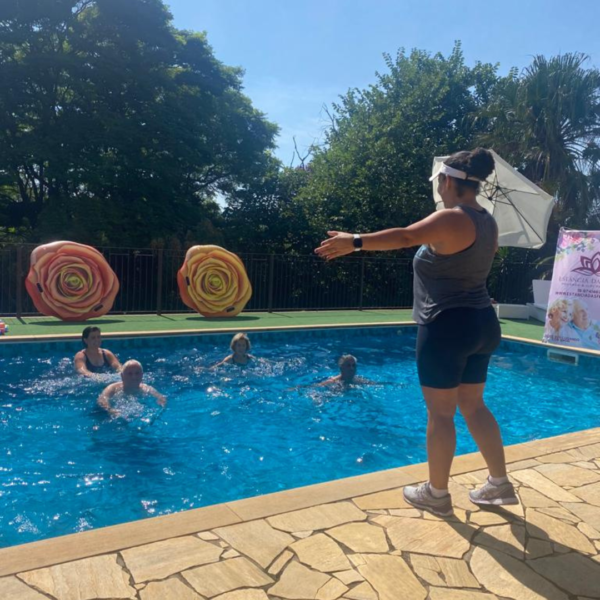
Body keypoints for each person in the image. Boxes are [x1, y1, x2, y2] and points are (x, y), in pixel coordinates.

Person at [316, 147, 518, 516]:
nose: (438, 186)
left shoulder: (454, 218)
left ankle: (436, 495)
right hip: (482, 323)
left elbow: (406, 236)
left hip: (448, 326)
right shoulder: (487, 221)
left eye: (440, 180)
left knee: (441, 415)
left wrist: (355, 241)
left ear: (448, 181)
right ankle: (499, 485)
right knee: (473, 406)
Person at [97, 360, 166, 418]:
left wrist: (160, 407)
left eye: (137, 373)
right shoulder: (113, 388)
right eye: (130, 374)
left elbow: (161, 397)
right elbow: (102, 399)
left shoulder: (147, 389)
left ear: (142, 375)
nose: (134, 377)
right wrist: (110, 410)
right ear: (122, 376)